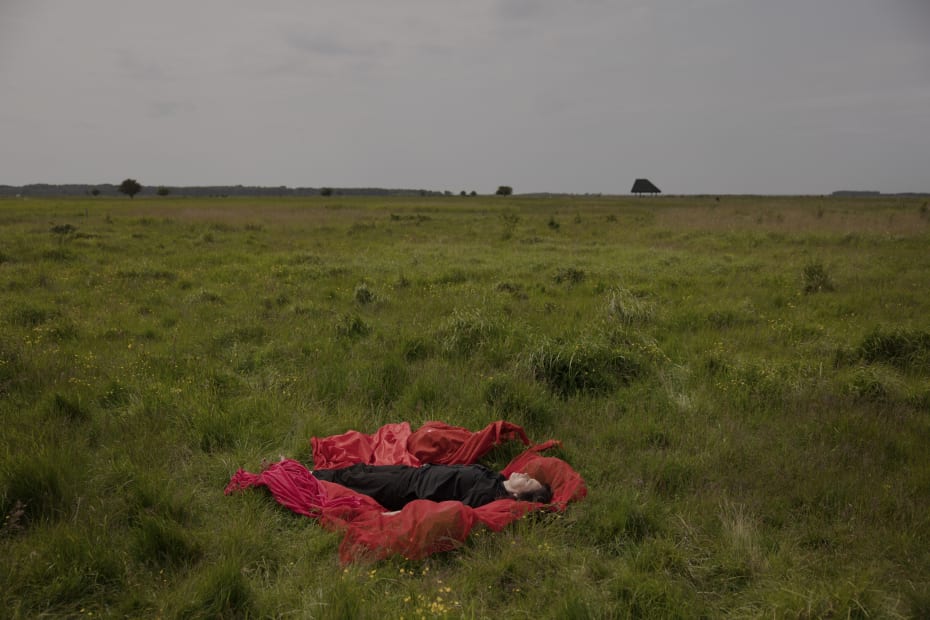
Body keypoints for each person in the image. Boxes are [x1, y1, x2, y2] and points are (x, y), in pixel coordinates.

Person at [311, 463, 552, 511]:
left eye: (529, 481)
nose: (526, 474)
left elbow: (449, 510)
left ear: (519, 494)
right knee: (361, 470)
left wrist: (399, 514)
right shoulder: (496, 476)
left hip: (408, 491)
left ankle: (303, 477)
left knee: (356, 480)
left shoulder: (487, 495)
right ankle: (306, 471)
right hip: (414, 472)